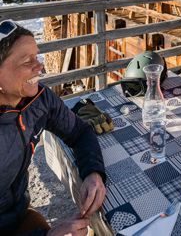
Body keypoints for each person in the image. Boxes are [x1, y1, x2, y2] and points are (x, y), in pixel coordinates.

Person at [0, 20, 107, 236]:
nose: (40, 66)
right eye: (26, 61)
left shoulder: (39, 99)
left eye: (37, 56)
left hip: (19, 213)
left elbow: (79, 131)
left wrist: (93, 173)